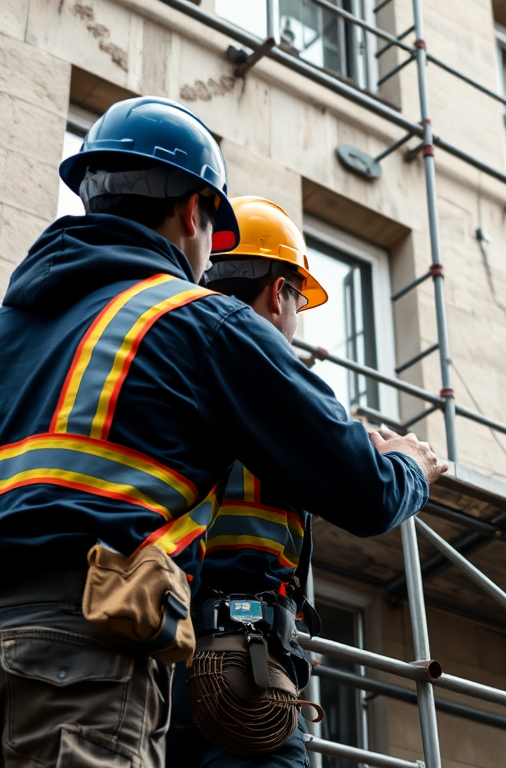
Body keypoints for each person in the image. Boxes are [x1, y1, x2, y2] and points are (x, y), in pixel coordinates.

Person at [0, 97, 447, 768]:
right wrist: (410, 467)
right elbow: (365, 490)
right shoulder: (194, 322)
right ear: (193, 211)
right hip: (71, 662)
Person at [165, 195, 428, 768]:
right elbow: (368, 494)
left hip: (156, 655)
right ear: (278, 292)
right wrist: (409, 465)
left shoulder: (168, 360)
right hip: (240, 665)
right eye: (298, 301)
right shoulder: (272, 381)